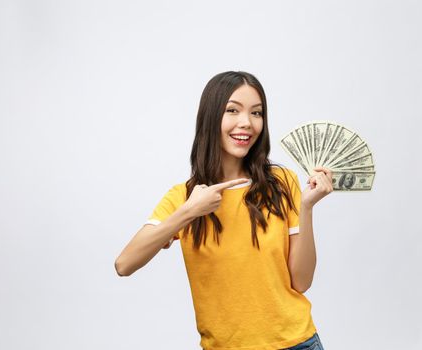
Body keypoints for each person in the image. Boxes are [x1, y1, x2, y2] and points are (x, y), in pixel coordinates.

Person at [114, 71, 333, 350]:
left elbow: (301, 281)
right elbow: (124, 264)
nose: (247, 123)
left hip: (296, 343)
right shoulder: (183, 197)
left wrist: (307, 206)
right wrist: (189, 211)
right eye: (232, 110)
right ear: (210, 117)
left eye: (256, 113)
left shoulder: (282, 182)